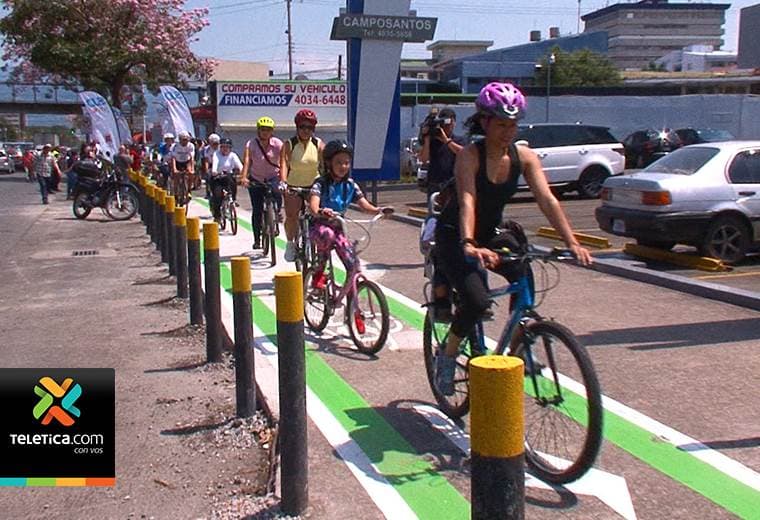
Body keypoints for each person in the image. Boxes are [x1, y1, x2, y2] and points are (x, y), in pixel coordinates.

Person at [432, 82, 593, 395]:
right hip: (455, 235)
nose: (508, 132)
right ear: (485, 121)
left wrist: (572, 241)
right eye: (502, 124)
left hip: (490, 232)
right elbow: (467, 199)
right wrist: (468, 243)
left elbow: (547, 200)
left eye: (513, 125)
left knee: (524, 272)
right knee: (477, 302)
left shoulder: (525, 157)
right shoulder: (470, 155)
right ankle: (448, 354)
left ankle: (520, 346)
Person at [308, 140, 388, 289]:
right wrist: (321, 211)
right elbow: (313, 206)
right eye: (338, 162)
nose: (343, 166)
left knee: (352, 264)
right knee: (327, 235)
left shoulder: (351, 185)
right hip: (319, 226)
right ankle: (318, 275)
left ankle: (352, 299)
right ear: (328, 163)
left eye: (346, 162)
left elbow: (364, 205)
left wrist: (379, 210)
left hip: (339, 228)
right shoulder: (320, 183)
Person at [279, 109, 324, 262]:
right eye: (303, 127)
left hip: (313, 186)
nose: (306, 130)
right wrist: (283, 182)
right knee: (291, 216)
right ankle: (291, 243)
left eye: (310, 127)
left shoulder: (318, 144)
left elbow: (326, 165)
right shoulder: (289, 144)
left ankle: (318, 243)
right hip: (294, 186)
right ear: (297, 127)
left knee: (318, 214)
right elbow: (284, 164)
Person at [241, 116, 284, 250]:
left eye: (268, 130)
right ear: (258, 131)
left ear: (272, 131)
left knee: (278, 191)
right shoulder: (251, 144)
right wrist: (244, 177)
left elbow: (283, 162)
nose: (265, 132)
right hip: (256, 178)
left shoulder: (278, 144)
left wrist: (283, 179)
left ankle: (276, 213)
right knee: (257, 209)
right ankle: (257, 239)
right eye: (262, 130)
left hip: (273, 176)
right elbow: (247, 161)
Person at [418, 107, 465, 197]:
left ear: (454, 123)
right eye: (445, 124)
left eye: (449, 124)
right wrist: (427, 139)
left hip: (452, 184)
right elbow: (424, 159)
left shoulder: (459, 140)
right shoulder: (433, 141)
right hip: (435, 184)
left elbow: (463, 153)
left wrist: (446, 141)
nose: (447, 127)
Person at [209, 137, 243, 222]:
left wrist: (243, 173)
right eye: (223, 146)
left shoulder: (233, 155)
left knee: (232, 182)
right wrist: (214, 171)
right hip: (217, 177)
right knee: (217, 196)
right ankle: (217, 216)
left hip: (228, 176)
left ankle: (233, 200)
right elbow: (215, 163)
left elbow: (240, 166)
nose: (225, 149)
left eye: (227, 147)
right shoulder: (216, 154)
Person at [202, 133, 221, 199]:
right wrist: (207, 170)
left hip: (220, 164)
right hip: (211, 164)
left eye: (217, 143)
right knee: (209, 177)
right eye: (213, 143)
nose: (215, 145)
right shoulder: (207, 149)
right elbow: (206, 160)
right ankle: (208, 192)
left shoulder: (220, 148)